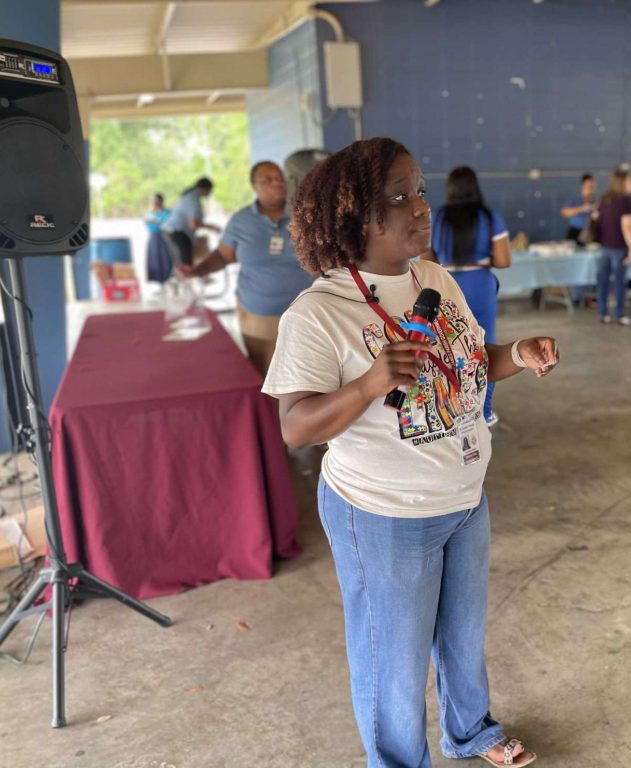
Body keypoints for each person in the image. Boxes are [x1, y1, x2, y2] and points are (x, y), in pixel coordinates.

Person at [264, 137, 558, 768]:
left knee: (462, 637)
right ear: (354, 217)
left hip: (462, 498)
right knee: (391, 661)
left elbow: (469, 362)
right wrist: (370, 383)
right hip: (384, 512)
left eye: (420, 190)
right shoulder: (317, 313)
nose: (420, 207)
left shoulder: (435, 278)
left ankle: (469, 731)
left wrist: (517, 355)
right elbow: (294, 426)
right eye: (398, 197)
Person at [177, 161, 312, 378]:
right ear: (254, 186)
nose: (277, 183)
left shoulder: (304, 215)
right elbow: (223, 255)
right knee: (265, 378)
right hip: (258, 316)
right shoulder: (241, 221)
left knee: (304, 378)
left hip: (305, 315)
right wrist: (196, 271)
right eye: (268, 180)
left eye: (279, 178)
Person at [423, 166, 511, 426]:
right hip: (480, 283)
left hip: (445, 285)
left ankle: (448, 410)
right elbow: (504, 260)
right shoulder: (489, 217)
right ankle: (484, 412)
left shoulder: (436, 218)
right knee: (485, 347)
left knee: (446, 346)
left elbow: (427, 260)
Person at [592, 169, 631, 325]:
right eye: (630, 181)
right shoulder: (625, 201)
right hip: (619, 247)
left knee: (603, 281)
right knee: (619, 282)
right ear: (623, 183)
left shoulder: (604, 199)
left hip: (604, 247)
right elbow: (627, 227)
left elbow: (595, 218)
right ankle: (619, 314)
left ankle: (603, 313)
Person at [162, 177, 218, 268]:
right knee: (185, 264)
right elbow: (194, 224)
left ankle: (185, 277)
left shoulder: (190, 196)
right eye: (210, 190)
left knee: (184, 262)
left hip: (174, 232)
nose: (210, 193)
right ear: (205, 188)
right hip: (176, 232)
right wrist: (212, 227)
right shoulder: (193, 199)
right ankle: (186, 278)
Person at [560, 173, 597, 241]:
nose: (591, 188)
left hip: (589, 233)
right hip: (575, 231)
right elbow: (564, 212)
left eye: (592, 186)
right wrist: (582, 209)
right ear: (583, 185)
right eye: (589, 186)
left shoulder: (595, 202)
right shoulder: (575, 200)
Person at [144, 193, 172, 284]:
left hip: (164, 236)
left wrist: (156, 222)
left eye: (156, 200)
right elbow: (147, 223)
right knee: (155, 258)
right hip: (153, 236)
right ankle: (159, 282)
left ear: (161, 201)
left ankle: (168, 279)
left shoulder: (168, 212)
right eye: (153, 201)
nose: (154, 203)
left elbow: (167, 223)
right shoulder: (149, 213)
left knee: (166, 258)